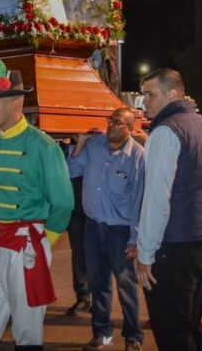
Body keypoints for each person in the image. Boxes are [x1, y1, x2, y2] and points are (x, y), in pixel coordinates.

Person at [0, 59, 74, 351]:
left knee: (27, 328)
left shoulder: (43, 145)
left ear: (13, 105)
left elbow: (63, 201)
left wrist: (45, 239)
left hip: (25, 246)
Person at [135, 68, 202, 351]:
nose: (144, 102)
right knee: (192, 328)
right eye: (142, 95)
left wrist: (145, 253)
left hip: (174, 248)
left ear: (172, 94)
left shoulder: (166, 130)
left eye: (150, 94)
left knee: (173, 333)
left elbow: (157, 197)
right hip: (201, 244)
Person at [68, 107, 146, 351]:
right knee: (98, 283)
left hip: (120, 232)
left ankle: (133, 337)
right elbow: (72, 170)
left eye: (118, 122)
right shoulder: (95, 146)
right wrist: (79, 144)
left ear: (130, 128)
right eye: (110, 120)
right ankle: (102, 334)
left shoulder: (137, 157)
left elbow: (138, 199)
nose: (111, 125)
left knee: (126, 287)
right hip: (93, 228)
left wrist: (135, 237)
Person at [63, 132, 92, 319]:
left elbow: (122, 172)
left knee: (103, 257)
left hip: (101, 209)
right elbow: (69, 171)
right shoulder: (63, 145)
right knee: (79, 254)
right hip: (76, 207)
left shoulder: (100, 143)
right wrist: (80, 142)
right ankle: (83, 296)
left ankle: (102, 300)